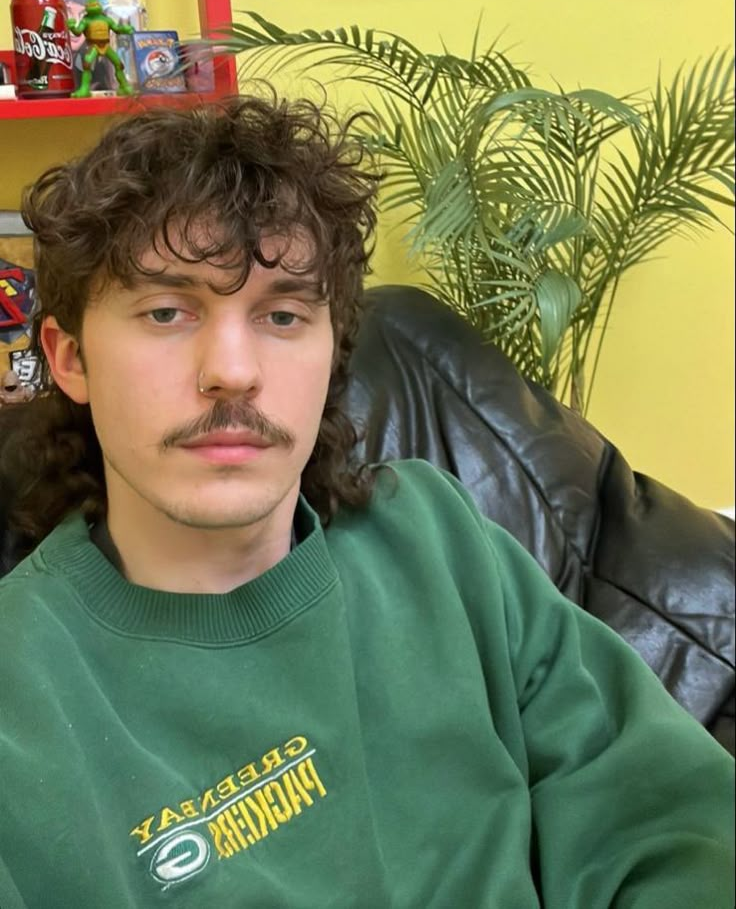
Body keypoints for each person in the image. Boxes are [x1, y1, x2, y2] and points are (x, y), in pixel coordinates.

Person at [0, 93, 732, 909]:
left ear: (331, 350)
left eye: (282, 314)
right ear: (69, 358)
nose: (232, 370)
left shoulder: (440, 544)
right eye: (168, 310)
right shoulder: (22, 694)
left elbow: (676, 824)